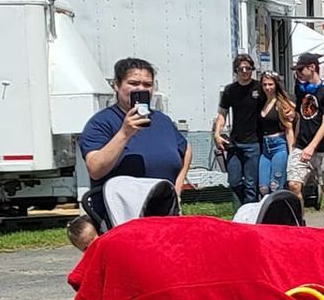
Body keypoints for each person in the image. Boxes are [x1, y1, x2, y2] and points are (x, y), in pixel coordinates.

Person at [80, 57, 191, 192]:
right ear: (117, 85)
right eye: (133, 83)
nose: (141, 89)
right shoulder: (101, 123)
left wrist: (178, 187)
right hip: (123, 209)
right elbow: (95, 170)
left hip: (164, 208)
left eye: (147, 85)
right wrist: (124, 133)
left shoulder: (162, 120)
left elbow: (186, 150)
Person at [287, 54, 324, 231]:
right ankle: (301, 225)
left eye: (301, 70)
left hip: (322, 149)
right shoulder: (301, 89)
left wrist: (312, 146)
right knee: (294, 185)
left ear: (312, 67)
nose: (298, 74)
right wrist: (293, 119)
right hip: (301, 146)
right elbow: (299, 115)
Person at [211, 54, 263, 207]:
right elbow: (222, 113)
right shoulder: (230, 90)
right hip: (234, 142)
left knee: (251, 184)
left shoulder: (259, 88)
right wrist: (217, 134)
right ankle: (240, 214)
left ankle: (250, 217)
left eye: (248, 68)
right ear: (236, 70)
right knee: (233, 181)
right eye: (242, 69)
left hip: (254, 142)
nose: (245, 71)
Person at [255, 71, 294, 196]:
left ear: (276, 85)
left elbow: (289, 129)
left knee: (275, 185)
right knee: (263, 187)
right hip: (265, 149)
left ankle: (278, 212)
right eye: (265, 84)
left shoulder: (281, 104)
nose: (267, 88)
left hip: (279, 146)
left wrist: (292, 153)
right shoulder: (261, 103)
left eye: (270, 84)